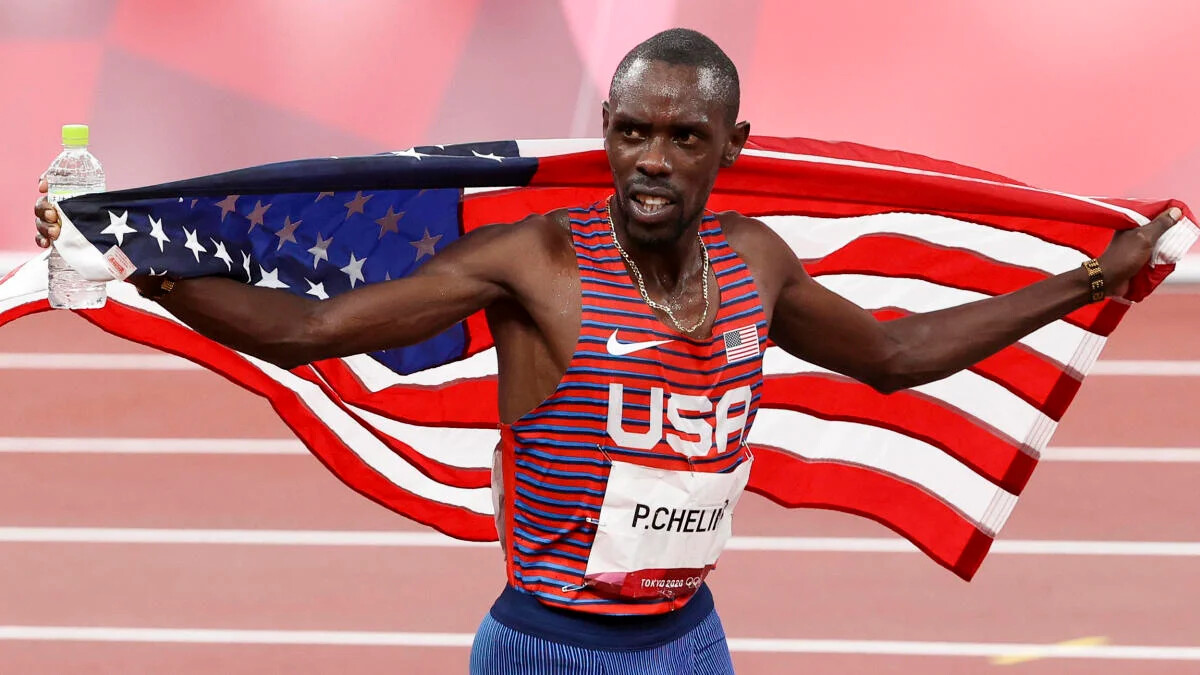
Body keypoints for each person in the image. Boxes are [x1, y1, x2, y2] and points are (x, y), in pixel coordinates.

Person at [34, 28, 1182, 675]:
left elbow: (892, 355)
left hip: (690, 644)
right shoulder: (535, 261)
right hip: (550, 649)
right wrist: (141, 262)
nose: (653, 160)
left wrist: (1091, 280)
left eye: (684, 137)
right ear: (608, 135)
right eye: (632, 132)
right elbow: (314, 331)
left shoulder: (756, 262)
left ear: (732, 146)